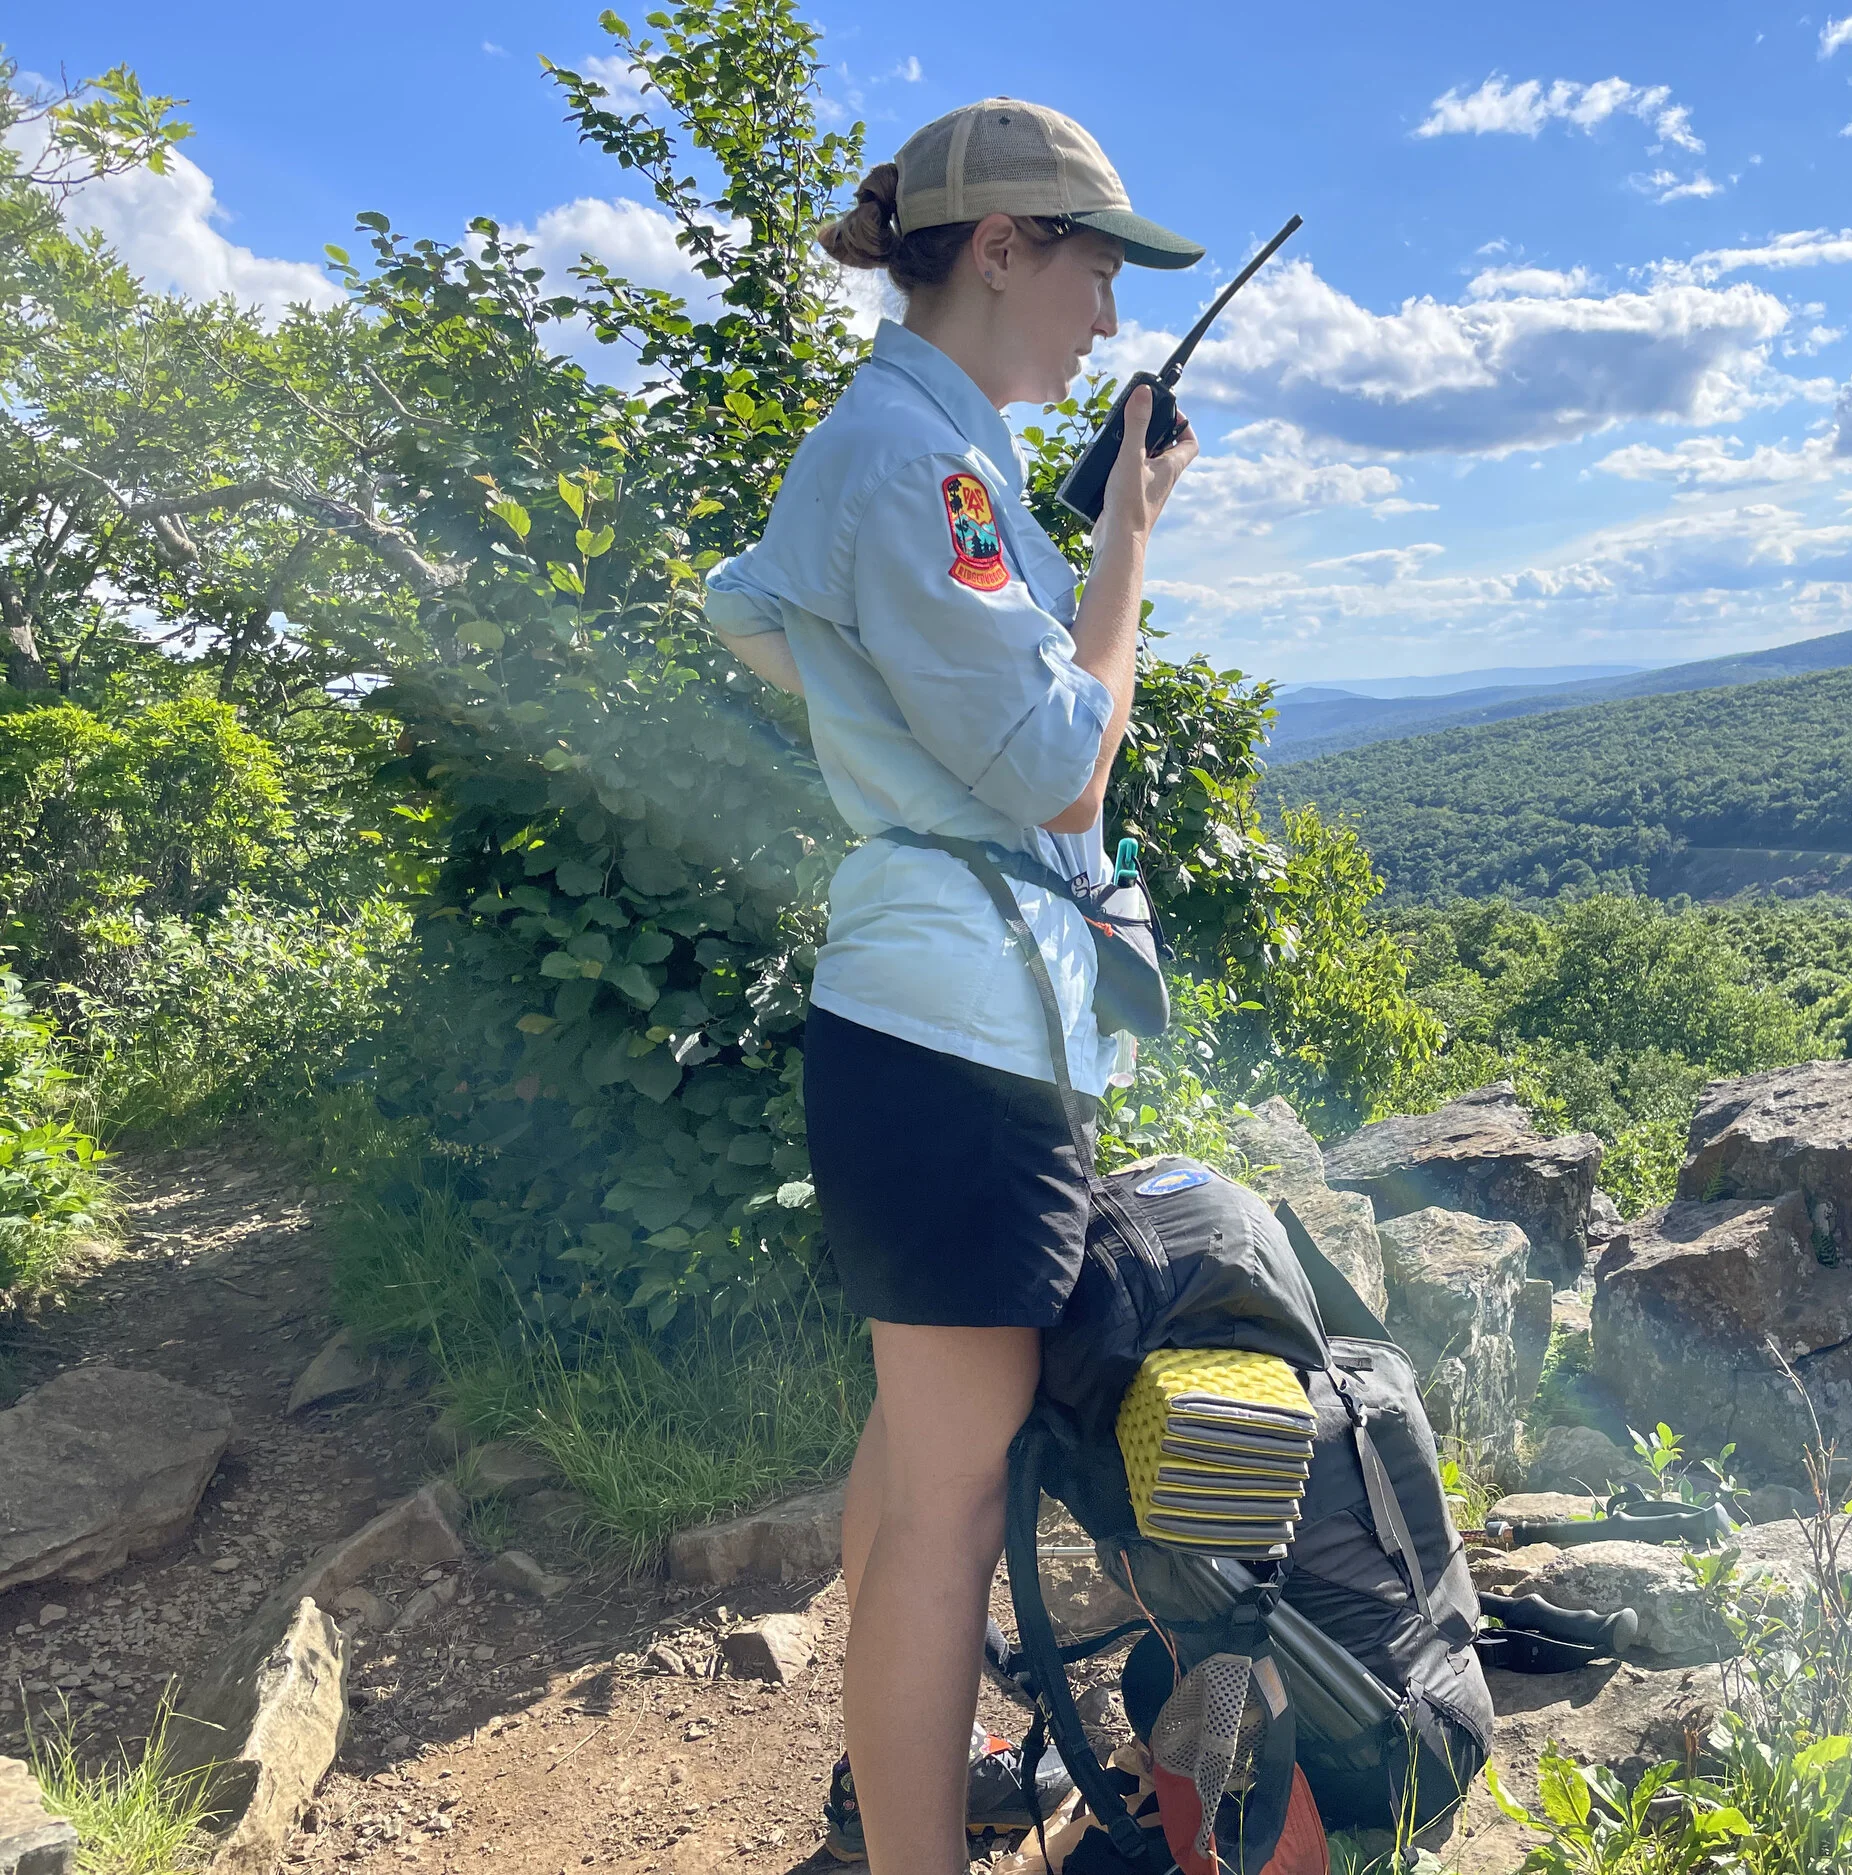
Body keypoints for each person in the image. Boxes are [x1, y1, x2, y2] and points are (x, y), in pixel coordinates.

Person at [700, 98, 1202, 1873]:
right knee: (946, 1514)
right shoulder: (922, 463)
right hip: (955, 1052)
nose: (1113, 320)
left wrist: (885, 731)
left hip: (932, 1028)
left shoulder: (918, 448)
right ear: (1003, 246)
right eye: (1098, 267)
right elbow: (1066, 762)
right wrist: (1131, 529)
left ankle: (899, 1782)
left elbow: (754, 608)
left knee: (916, 1462)